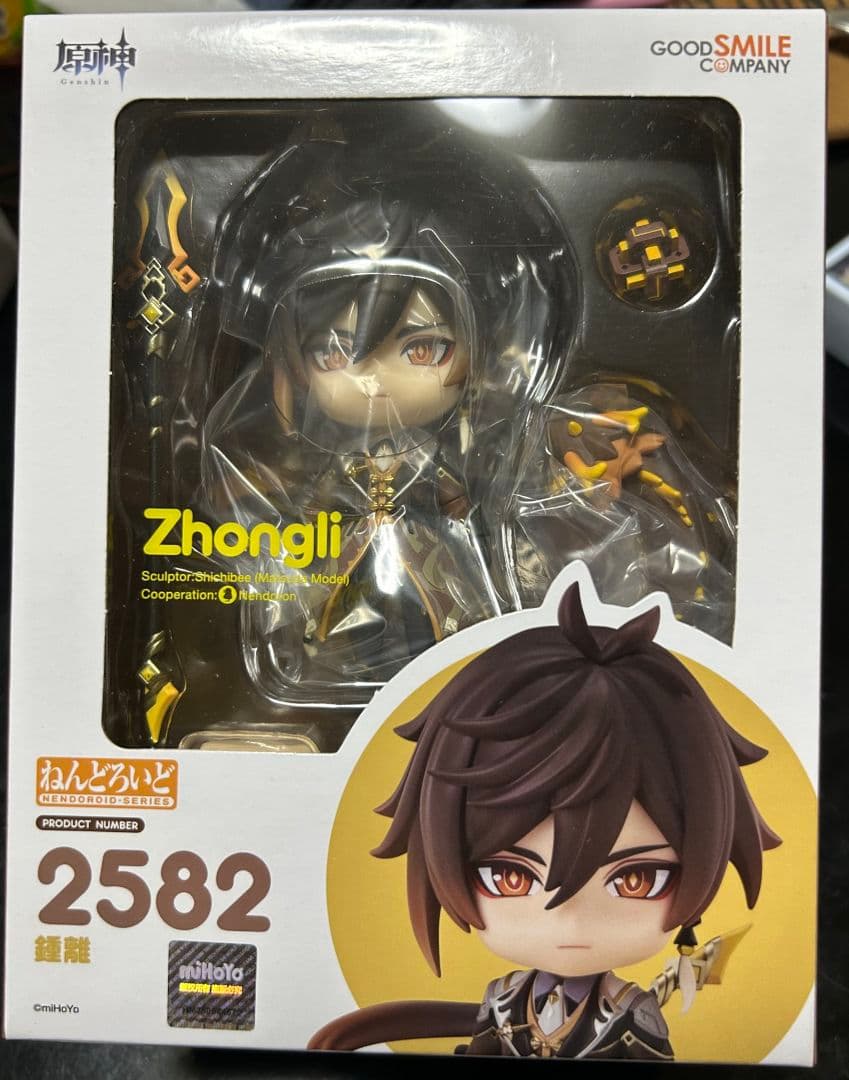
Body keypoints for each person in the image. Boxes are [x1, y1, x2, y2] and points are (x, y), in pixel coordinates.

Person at [309, 583, 779, 1058]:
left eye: (637, 879)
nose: (569, 920)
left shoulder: (632, 1015)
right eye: (509, 876)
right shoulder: (503, 1000)